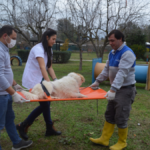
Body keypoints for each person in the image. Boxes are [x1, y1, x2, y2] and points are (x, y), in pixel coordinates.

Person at [89, 30, 136, 150]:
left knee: (121, 116)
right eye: (109, 40)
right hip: (114, 89)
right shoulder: (112, 53)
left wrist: (113, 89)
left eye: (112, 40)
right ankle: (104, 139)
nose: (110, 43)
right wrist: (97, 81)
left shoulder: (127, 53)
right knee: (109, 114)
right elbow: (106, 70)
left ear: (120, 39)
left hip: (125, 90)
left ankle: (122, 142)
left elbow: (122, 73)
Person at [16, 29, 61, 141]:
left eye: (55, 39)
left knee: (46, 103)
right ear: (47, 37)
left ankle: (48, 128)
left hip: (40, 78)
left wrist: (55, 80)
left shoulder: (49, 50)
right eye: (53, 39)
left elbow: (49, 67)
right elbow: (42, 67)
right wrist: (49, 84)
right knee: (45, 103)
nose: (54, 41)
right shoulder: (38, 49)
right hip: (32, 79)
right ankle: (24, 125)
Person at [0, 25, 33, 150]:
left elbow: (6, 70)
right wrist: (13, 93)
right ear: (5, 36)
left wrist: (14, 84)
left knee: (9, 119)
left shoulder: (4, 49)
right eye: (13, 38)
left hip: (6, 92)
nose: (14, 41)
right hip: (1, 94)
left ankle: (17, 142)